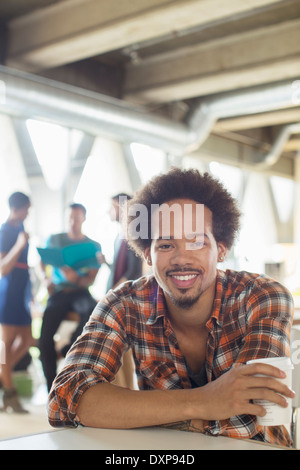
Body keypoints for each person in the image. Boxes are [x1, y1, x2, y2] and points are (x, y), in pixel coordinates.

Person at [48, 169, 295, 447]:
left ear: (221, 248)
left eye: (197, 242)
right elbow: (66, 400)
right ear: (147, 254)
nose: (181, 258)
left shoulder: (262, 297)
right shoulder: (125, 303)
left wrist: (134, 412)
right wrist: (204, 401)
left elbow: (251, 419)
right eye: (166, 244)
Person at [39, 203, 101, 392]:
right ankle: (51, 386)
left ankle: (68, 350)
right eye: (70, 218)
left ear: (83, 219)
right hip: (59, 292)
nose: (73, 222)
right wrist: (45, 279)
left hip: (80, 292)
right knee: (44, 337)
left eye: (77, 218)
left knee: (91, 315)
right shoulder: (55, 239)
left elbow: (91, 279)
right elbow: (42, 263)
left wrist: (78, 279)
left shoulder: (93, 245)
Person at [99, 193, 143, 389]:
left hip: (126, 300)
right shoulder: (120, 234)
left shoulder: (135, 233)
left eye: (112, 206)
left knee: (119, 347)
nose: (109, 211)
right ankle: (124, 391)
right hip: (118, 295)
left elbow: (132, 272)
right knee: (121, 351)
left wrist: (112, 295)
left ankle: (125, 392)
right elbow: (121, 271)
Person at [0, 192, 33, 413]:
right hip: (9, 289)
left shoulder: (20, 227)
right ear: (18, 208)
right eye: (27, 209)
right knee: (6, 344)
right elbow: (3, 267)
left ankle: (4, 376)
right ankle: (9, 392)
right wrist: (20, 245)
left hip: (21, 289)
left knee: (28, 339)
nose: (28, 213)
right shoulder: (5, 231)